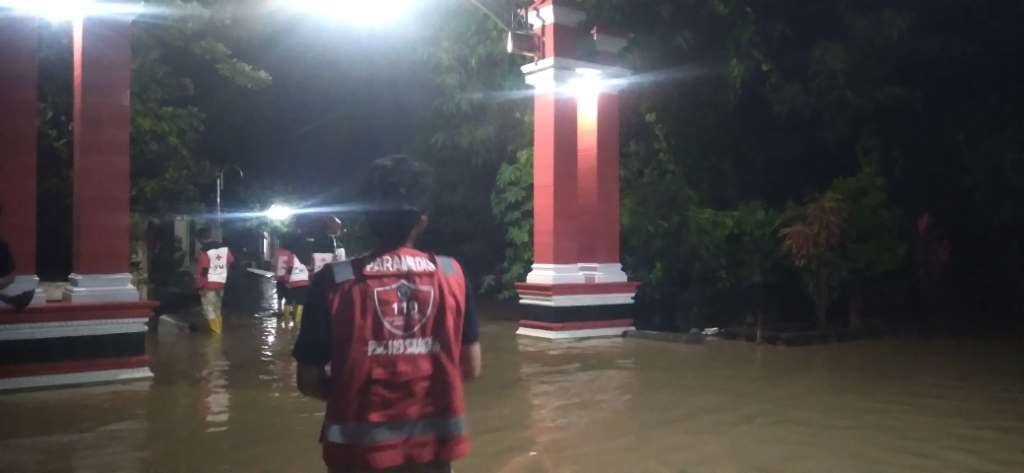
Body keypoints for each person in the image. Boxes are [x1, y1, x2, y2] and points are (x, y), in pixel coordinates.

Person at [293, 155, 482, 473]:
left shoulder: (333, 282)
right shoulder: (452, 275)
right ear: (422, 220)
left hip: (356, 457)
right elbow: (471, 367)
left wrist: (353, 396)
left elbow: (308, 380)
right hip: (432, 454)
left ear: (368, 217)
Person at [194, 227, 234, 334]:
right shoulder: (224, 248)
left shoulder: (204, 251)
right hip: (221, 282)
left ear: (200, 239)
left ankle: (216, 333)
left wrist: (199, 286)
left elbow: (203, 270)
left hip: (208, 284)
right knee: (217, 309)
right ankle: (219, 331)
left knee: (208, 309)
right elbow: (230, 262)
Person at [0, 237, 34, 313]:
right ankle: (12, 300)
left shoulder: (2, 246)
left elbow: (11, 275)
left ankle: (13, 300)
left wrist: (2, 281)